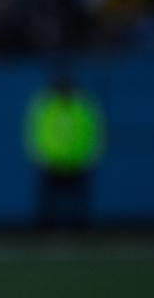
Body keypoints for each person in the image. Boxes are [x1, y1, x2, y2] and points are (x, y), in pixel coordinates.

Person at [24, 69, 105, 229]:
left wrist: (89, 157)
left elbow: (94, 132)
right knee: (49, 200)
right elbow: (35, 133)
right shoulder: (46, 106)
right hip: (52, 161)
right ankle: (45, 227)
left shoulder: (82, 105)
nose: (64, 90)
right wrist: (41, 157)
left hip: (78, 161)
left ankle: (81, 227)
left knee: (78, 200)